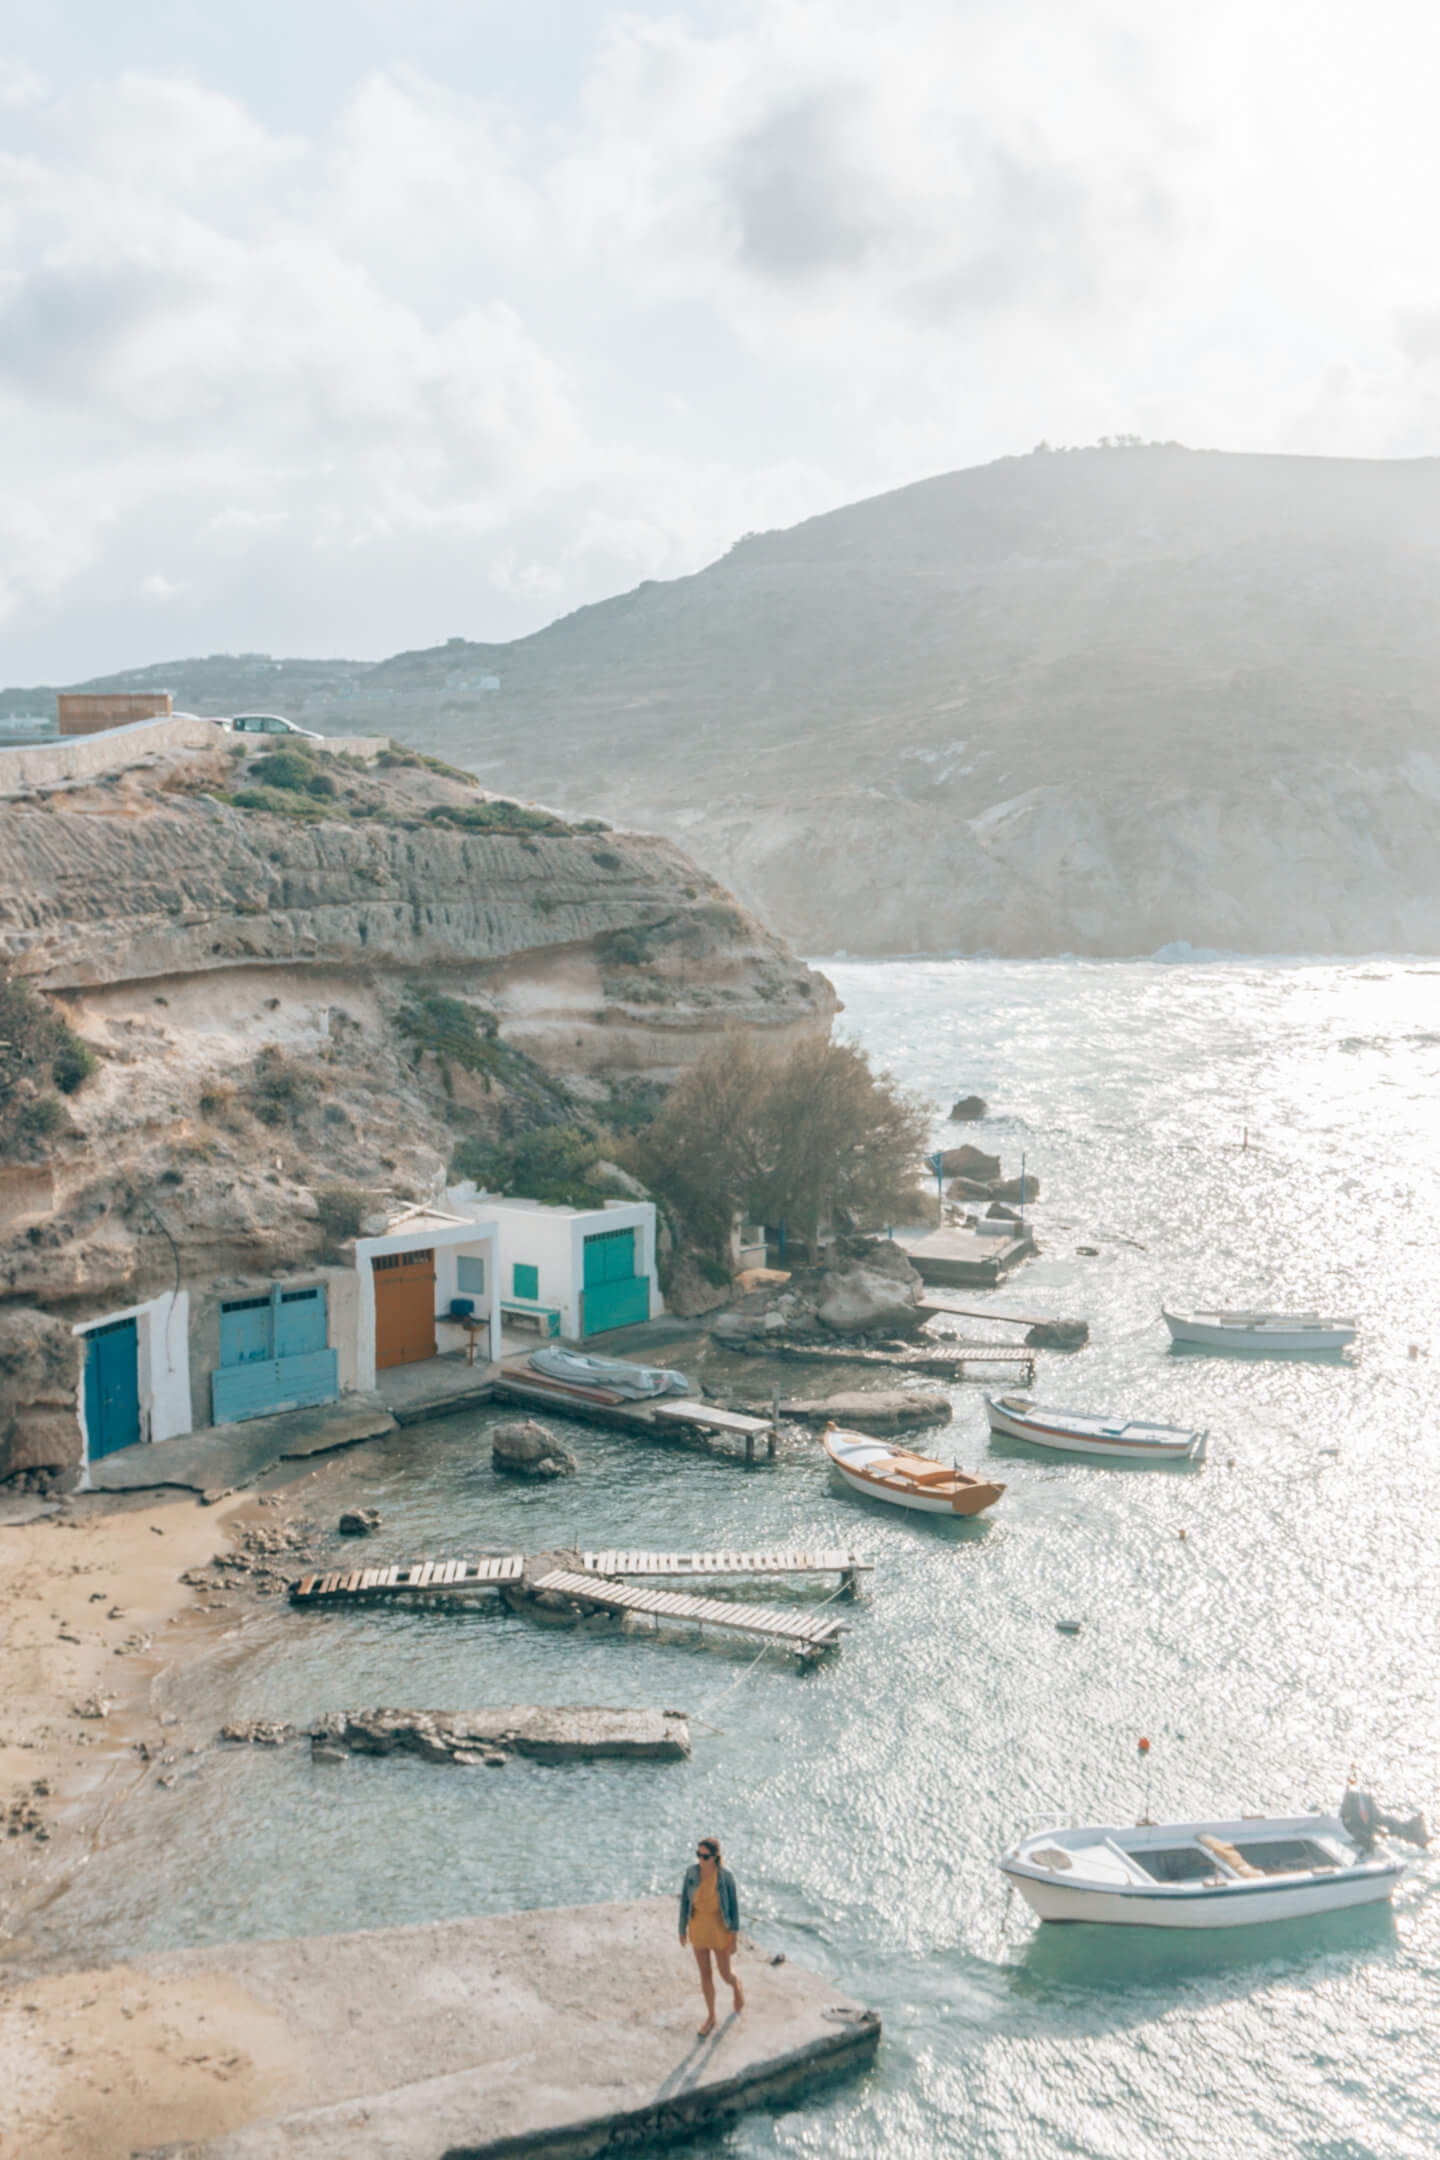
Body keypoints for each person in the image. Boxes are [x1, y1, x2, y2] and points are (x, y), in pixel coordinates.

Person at [678, 1836, 744, 2036]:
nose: (700, 1859)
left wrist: (734, 1937)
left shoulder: (726, 1877)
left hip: (719, 1929)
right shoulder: (691, 1873)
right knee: (705, 1975)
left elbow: (734, 1909)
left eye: (705, 1856)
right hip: (697, 1927)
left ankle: (737, 1986)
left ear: (715, 1857)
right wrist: (681, 1929)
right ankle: (711, 2016)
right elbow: (684, 1904)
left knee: (725, 1974)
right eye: (698, 1854)